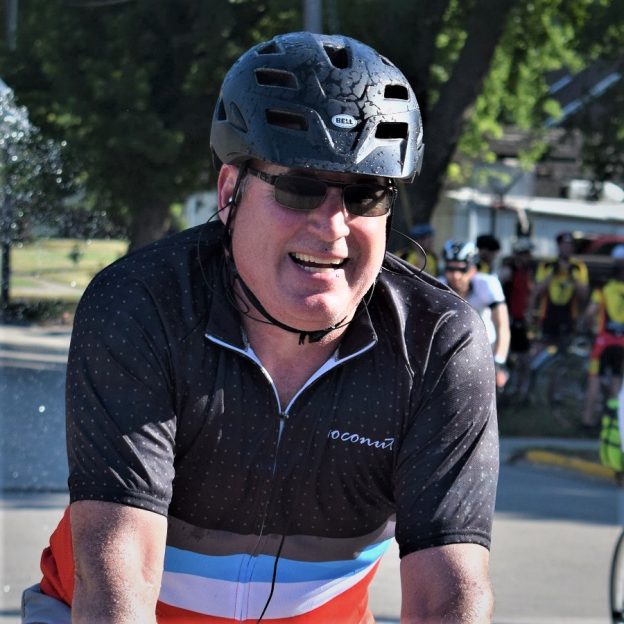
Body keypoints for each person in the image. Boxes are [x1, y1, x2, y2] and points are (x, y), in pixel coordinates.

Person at [23, 32, 499, 624]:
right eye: (299, 188)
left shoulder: (435, 343)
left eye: (366, 194)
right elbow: (118, 573)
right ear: (230, 191)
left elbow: (449, 596)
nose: (333, 228)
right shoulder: (143, 304)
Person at [441, 240, 511, 389]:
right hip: (452, 354)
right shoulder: (437, 284)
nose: (455, 275)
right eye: (450, 269)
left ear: (473, 270)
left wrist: (499, 361)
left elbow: (502, 325)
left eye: (462, 269)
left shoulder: (488, 283)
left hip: (486, 351)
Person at [580, 245, 624, 430]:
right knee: (616, 382)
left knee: (594, 380)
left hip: (603, 343)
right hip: (622, 343)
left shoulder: (603, 288)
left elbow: (590, 313)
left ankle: (588, 421)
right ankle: (612, 423)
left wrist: (585, 327)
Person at [531, 231, 589, 345]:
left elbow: (584, 295)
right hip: (548, 315)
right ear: (559, 246)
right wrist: (552, 274)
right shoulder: (546, 265)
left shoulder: (579, 267)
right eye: (564, 245)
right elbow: (537, 291)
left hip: (569, 316)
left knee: (565, 351)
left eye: (570, 245)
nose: (567, 248)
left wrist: (572, 276)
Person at [498, 238, 536, 401]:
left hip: (521, 320)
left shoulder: (527, 271)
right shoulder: (509, 270)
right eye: (524, 254)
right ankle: (504, 391)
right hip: (510, 320)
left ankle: (520, 392)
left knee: (524, 359)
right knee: (508, 359)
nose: (527, 257)